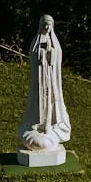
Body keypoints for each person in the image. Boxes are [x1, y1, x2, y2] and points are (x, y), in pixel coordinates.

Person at [18, 14, 71, 151]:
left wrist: (51, 54)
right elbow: (33, 55)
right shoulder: (36, 42)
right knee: (38, 103)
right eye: (45, 24)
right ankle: (36, 125)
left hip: (50, 80)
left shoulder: (54, 42)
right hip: (39, 80)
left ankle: (49, 127)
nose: (47, 27)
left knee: (50, 103)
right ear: (41, 25)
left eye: (49, 25)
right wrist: (41, 54)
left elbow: (57, 56)